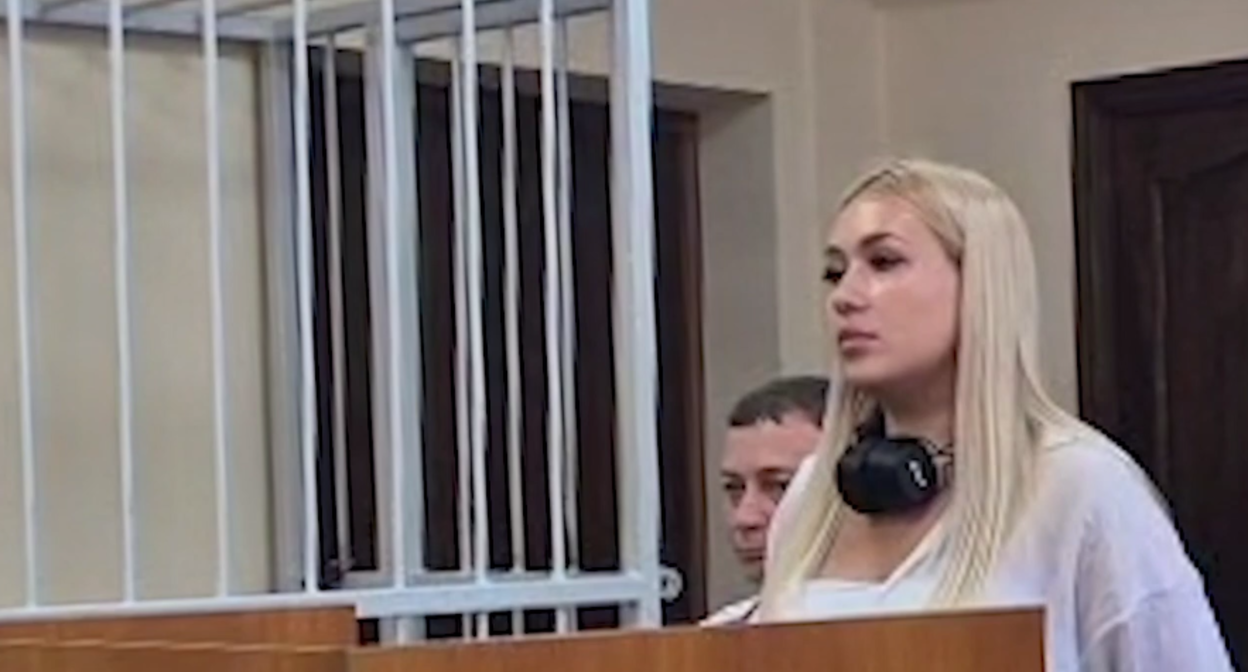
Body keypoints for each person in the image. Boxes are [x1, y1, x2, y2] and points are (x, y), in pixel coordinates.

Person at [751, 158, 1233, 671]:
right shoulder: (810, 496)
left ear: (979, 285)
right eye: (835, 272)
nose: (845, 297)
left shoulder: (1081, 488)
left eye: (884, 262)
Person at [701, 375, 828, 626]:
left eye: (779, 486)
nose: (744, 518)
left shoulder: (902, 621)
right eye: (734, 488)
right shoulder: (715, 635)